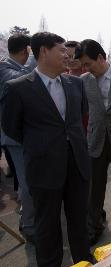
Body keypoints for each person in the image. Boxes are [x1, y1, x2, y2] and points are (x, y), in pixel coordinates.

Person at [1, 32, 92, 266]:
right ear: (43, 52)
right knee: (48, 226)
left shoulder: (76, 84)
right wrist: (41, 144)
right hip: (43, 167)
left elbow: (79, 119)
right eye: (61, 50)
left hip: (76, 164)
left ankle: (83, 260)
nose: (67, 55)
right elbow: (12, 128)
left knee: (79, 222)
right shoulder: (18, 88)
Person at [76, 39, 111, 245]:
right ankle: (93, 227)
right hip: (95, 141)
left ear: (101, 57)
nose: (85, 68)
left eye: (88, 63)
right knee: (93, 190)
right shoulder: (83, 80)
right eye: (83, 65)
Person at [0, 33, 36, 241]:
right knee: (28, 183)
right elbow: (19, 83)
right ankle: (30, 227)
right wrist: (34, 60)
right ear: (26, 50)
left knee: (27, 182)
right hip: (14, 138)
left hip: (24, 136)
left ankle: (28, 219)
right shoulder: (4, 68)